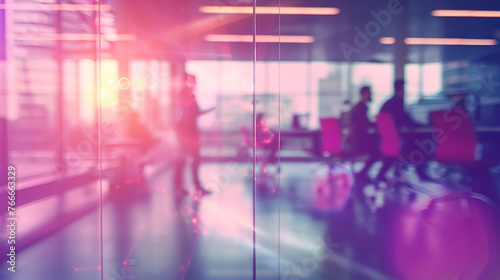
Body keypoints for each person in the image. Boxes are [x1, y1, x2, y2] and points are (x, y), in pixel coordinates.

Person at [375, 79, 429, 181]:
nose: (405, 91)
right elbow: (406, 120)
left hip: (389, 143)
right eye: (403, 89)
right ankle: (420, 173)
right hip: (398, 143)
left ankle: (400, 170)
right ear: (400, 89)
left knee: (414, 143)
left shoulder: (387, 103)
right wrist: (422, 126)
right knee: (422, 144)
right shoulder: (397, 103)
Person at [174, 73, 214, 195]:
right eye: (193, 81)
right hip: (186, 131)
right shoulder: (185, 95)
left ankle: (190, 186)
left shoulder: (189, 95)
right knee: (185, 159)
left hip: (189, 130)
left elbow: (194, 113)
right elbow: (188, 114)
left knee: (192, 159)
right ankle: (182, 186)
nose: (195, 84)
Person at [344, 86, 378, 179]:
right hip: (358, 141)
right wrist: (379, 124)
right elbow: (365, 124)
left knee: (377, 150)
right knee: (378, 152)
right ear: (363, 94)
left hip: (353, 140)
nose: (371, 95)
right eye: (369, 93)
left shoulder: (357, 106)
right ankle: (363, 174)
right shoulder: (361, 107)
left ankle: (363, 173)